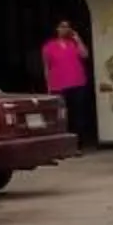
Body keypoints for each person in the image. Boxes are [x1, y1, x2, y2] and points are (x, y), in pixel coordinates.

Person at [42, 19, 98, 148]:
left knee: (78, 114)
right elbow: (46, 67)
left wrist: (78, 39)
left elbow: (85, 55)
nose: (64, 29)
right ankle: (64, 146)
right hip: (58, 85)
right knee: (62, 115)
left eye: (67, 27)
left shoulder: (73, 43)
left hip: (77, 83)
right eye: (62, 27)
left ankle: (79, 144)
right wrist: (48, 86)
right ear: (56, 29)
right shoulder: (49, 46)